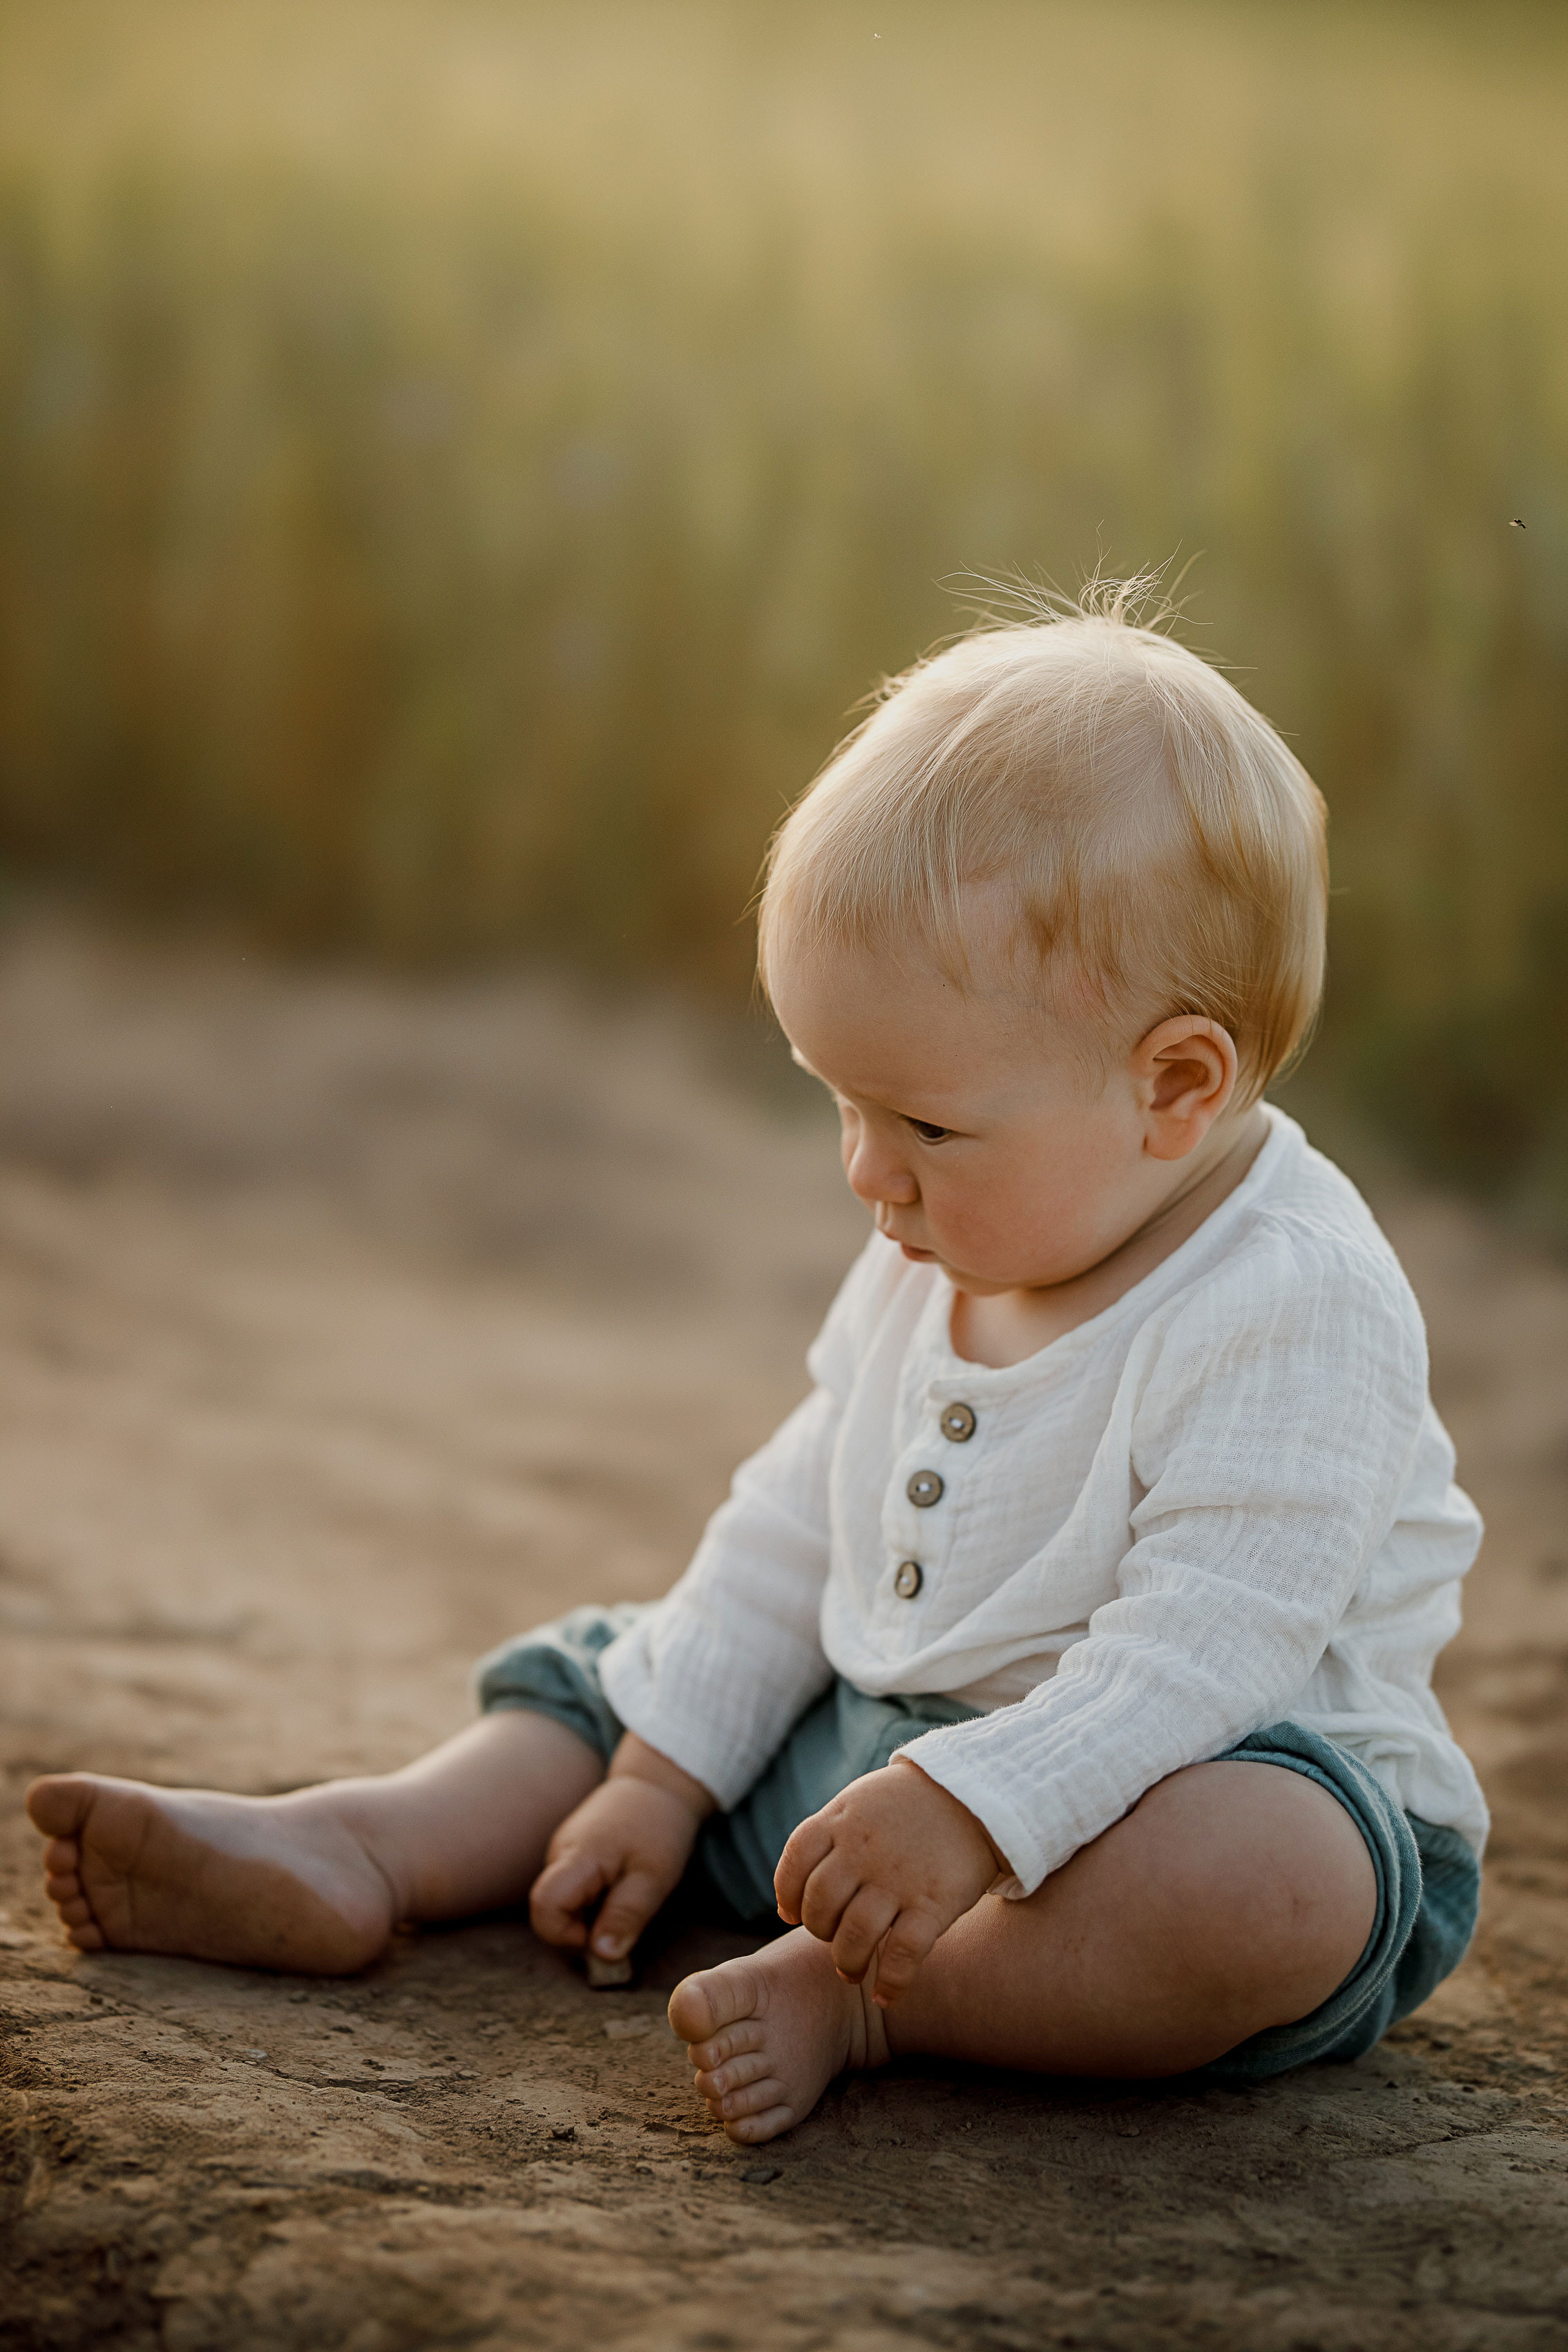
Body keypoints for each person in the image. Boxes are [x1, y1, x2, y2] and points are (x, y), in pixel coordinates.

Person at [27, 587, 1486, 2146]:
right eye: (838, 1102)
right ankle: (367, 1842)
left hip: (1168, 1781)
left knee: (1266, 1879)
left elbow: (1210, 1646)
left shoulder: (1292, 1300)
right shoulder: (957, 1229)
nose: (869, 1172)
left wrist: (974, 1806)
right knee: (624, 1669)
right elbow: (805, 1517)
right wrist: (664, 1772)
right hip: (876, 1764)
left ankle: (880, 1996)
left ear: (1174, 1085)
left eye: (922, 1121)